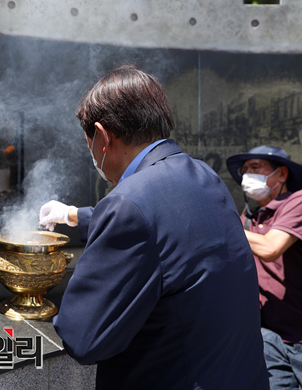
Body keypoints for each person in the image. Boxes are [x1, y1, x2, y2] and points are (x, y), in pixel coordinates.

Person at [39, 64, 268, 389]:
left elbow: (82, 338)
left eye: (88, 142)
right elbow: (165, 223)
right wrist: (73, 215)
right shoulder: (204, 175)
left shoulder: (127, 203)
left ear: (102, 136)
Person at [227, 146, 302, 389]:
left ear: (282, 174)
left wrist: (219, 222)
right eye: (245, 169)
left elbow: (270, 248)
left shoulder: (297, 202)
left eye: (256, 167)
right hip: (268, 338)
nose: (248, 175)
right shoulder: (248, 218)